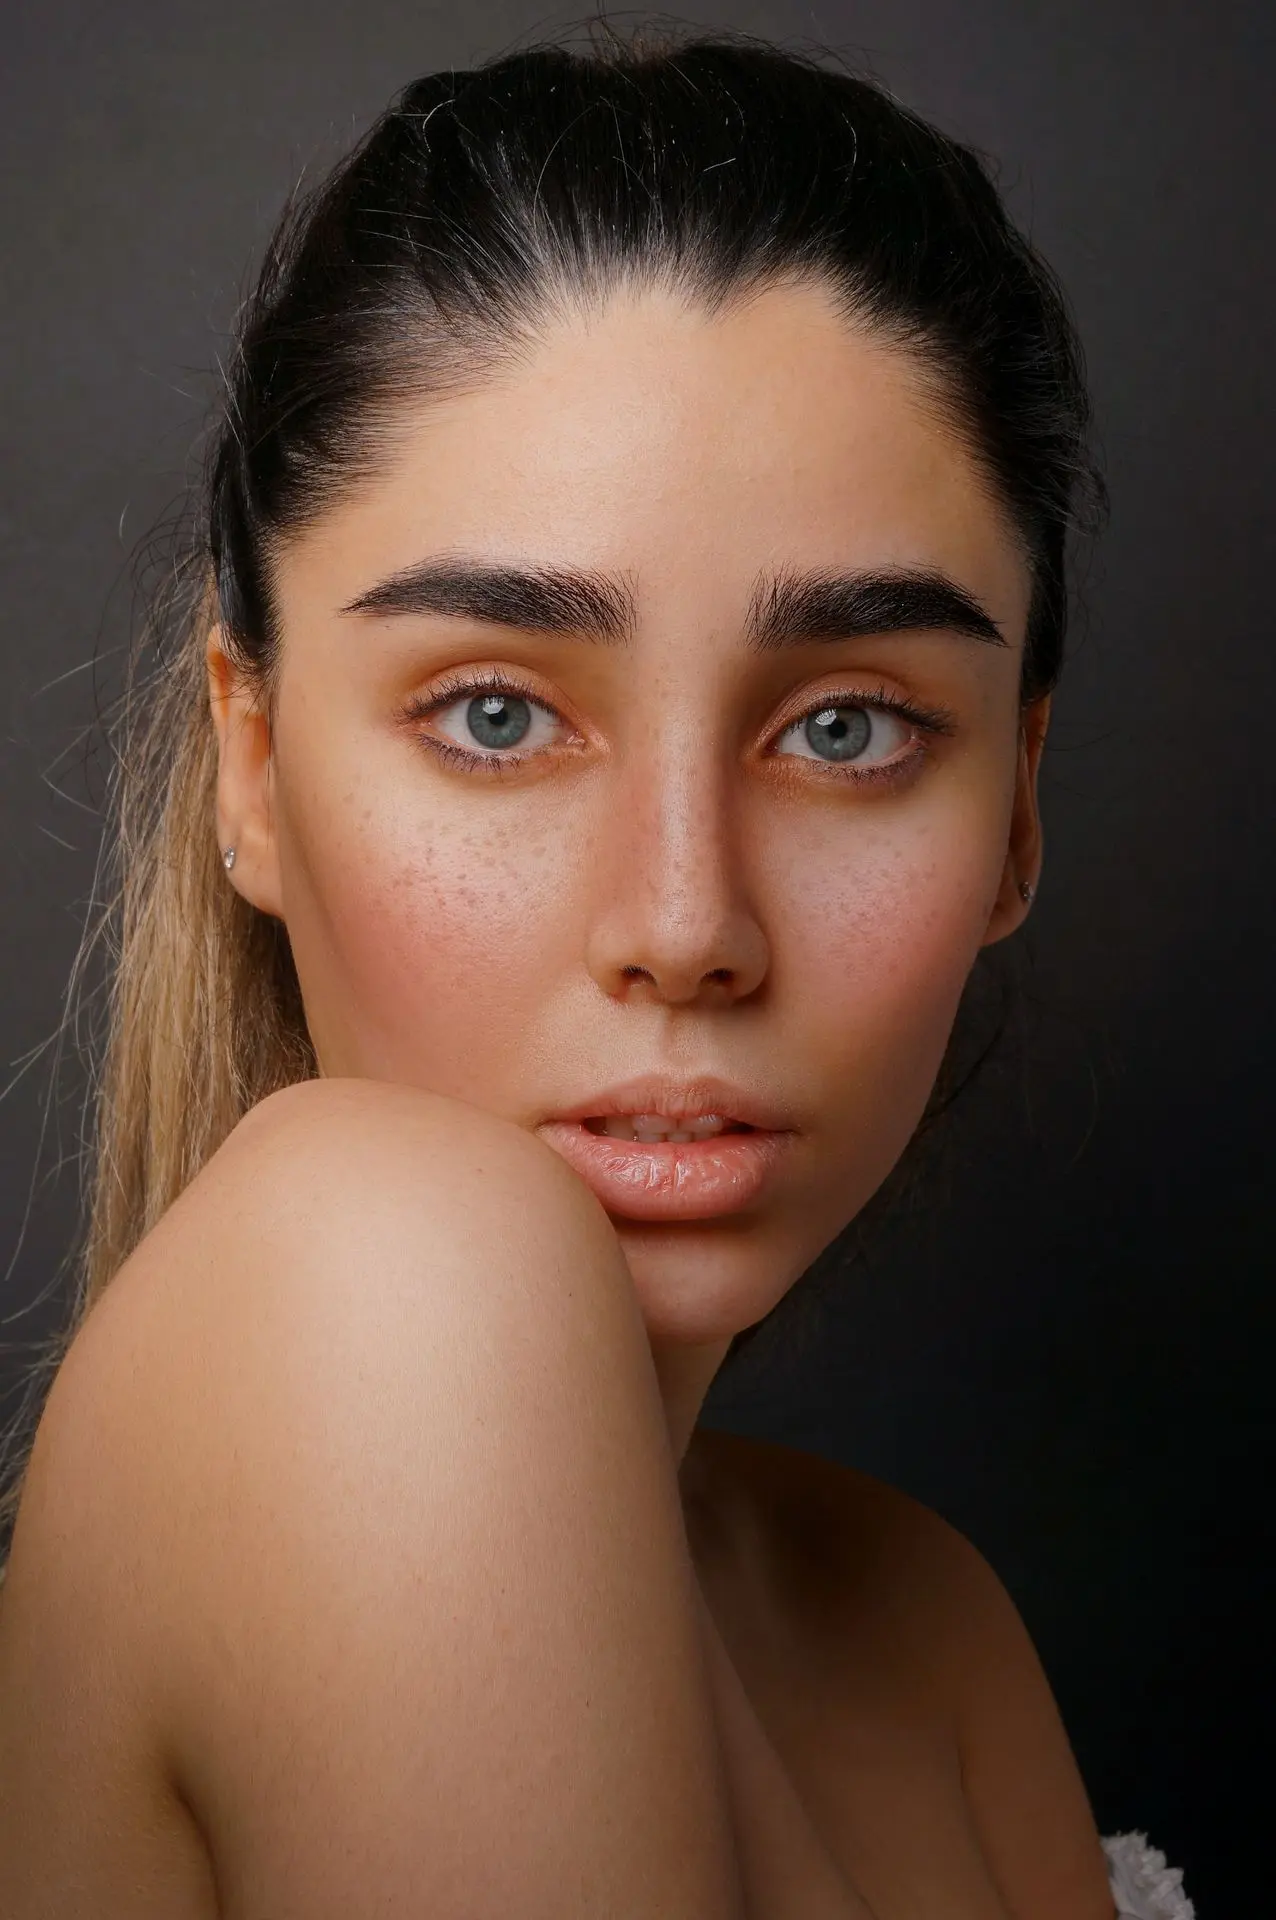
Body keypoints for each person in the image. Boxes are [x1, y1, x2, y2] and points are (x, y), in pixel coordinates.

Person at [0, 21, 1194, 1918]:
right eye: (494, 713)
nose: (686, 923)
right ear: (253, 762)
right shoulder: (380, 1272)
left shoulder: (920, 1630)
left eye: (849, 733)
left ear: (1019, 810)